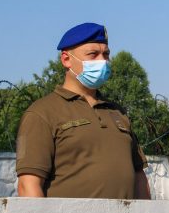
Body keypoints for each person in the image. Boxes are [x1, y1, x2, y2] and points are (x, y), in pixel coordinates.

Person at [16, 22, 151, 199]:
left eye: (106, 54)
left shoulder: (118, 113)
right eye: (93, 54)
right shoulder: (42, 113)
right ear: (66, 59)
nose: (102, 61)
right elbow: (28, 186)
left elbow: (139, 177)